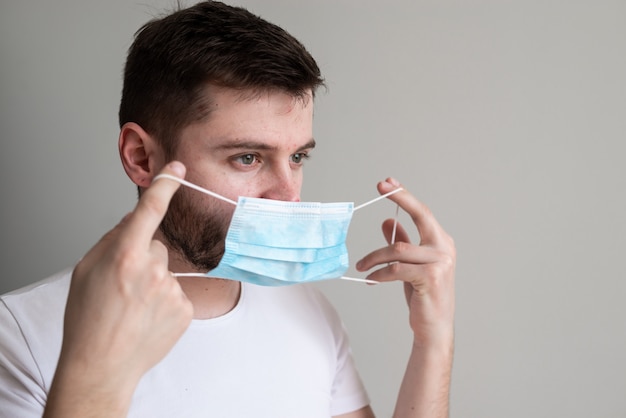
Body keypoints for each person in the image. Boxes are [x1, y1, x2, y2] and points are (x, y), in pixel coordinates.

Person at [0, 2, 456, 417]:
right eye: (247, 158)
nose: (287, 196)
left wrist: (432, 341)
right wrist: (94, 374)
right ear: (141, 157)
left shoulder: (309, 312)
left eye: (297, 157)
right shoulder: (18, 336)